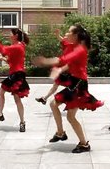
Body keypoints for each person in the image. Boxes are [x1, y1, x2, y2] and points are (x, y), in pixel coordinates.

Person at [33, 24, 104, 153]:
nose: (67, 34)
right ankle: (61, 133)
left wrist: (45, 61)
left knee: (70, 116)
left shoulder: (80, 49)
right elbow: (67, 57)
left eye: (69, 32)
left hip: (79, 84)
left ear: (75, 35)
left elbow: (64, 59)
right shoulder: (74, 46)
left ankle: (83, 144)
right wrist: (59, 68)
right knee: (54, 104)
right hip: (75, 82)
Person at [0, 29, 30, 132]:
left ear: (16, 35)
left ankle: (22, 122)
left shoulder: (18, 46)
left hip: (18, 75)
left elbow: (3, 49)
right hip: (14, 73)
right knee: (1, 92)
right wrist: (1, 58)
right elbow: (10, 60)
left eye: (10, 33)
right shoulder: (18, 46)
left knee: (17, 99)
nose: (9, 35)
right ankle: (0, 114)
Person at [35, 28, 74, 105]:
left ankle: (71, 101)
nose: (65, 37)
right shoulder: (66, 43)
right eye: (65, 36)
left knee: (71, 87)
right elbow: (61, 39)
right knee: (55, 85)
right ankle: (44, 98)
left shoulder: (74, 45)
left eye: (67, 36)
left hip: (69, 70)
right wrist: (57, 34)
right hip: (63, 69)